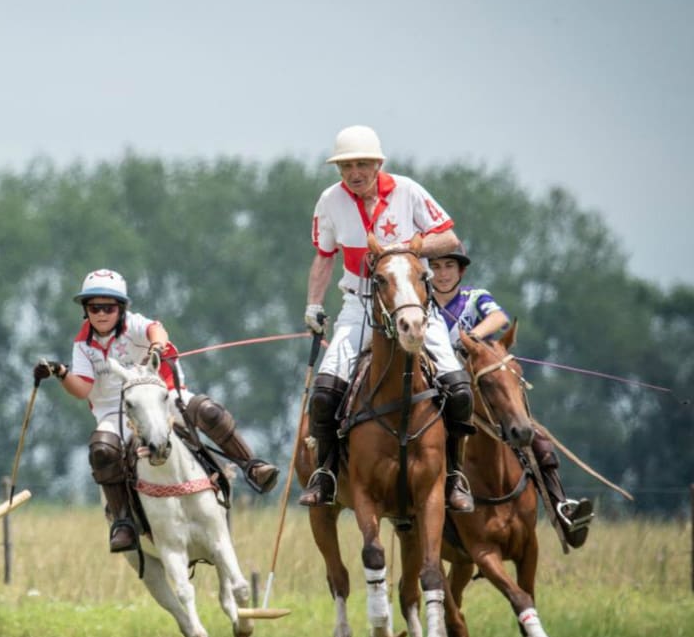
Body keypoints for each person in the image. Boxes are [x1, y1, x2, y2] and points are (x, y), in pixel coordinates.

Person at [34, 268, 279, 553]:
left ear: (121, 308)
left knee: (209, 411)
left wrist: (156, 346)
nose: (101, 314)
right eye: (93, 307)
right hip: (114, 411)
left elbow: (157, 329)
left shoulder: (133, 325)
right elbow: (83, 390)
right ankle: (123, 523)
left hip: (161, 396)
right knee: (101, 450)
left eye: (108, 307)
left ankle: (252, 466)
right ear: (85, 310)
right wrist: (60, 371)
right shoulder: (83, 344)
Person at [298, 125, 475, 512]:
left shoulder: (408, 191)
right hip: (360, 304)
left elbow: (449, 239)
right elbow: (324, 256)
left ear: (378, 164)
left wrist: (407, 249)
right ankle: (326, 474)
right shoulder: (330, 201)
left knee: (459, 388)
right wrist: (313, 304)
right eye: (346, 166)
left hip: (410, 302)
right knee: (325, 392)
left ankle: (456, 475)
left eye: (362, 164)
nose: (354, 172)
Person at [429, 244, 593, 548]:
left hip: (485, 392)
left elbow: (499, 318)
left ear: (460, 270)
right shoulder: (421, 302)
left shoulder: (475, 297)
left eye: (448, 266)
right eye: (436, 267)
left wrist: (472, 340)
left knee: (537, 439)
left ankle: (562, 510)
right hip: (439, 394)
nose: (441, 274)